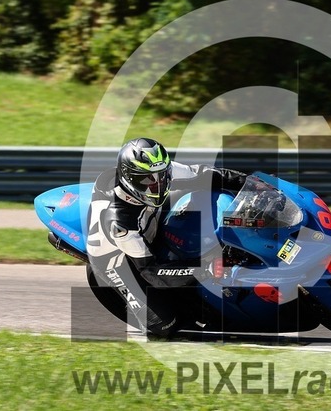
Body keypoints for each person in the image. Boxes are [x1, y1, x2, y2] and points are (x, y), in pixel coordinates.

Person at [86, 138, 247, 337]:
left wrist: (251, 184)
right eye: (148, 180)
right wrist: (205, 270)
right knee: (166, 326)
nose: (158, 185)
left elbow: (206, 174)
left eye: (162, 176)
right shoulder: (120, 221)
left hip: (147, 221)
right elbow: (150, 271)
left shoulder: (157, 170)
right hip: (118, 259)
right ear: (129, 178)